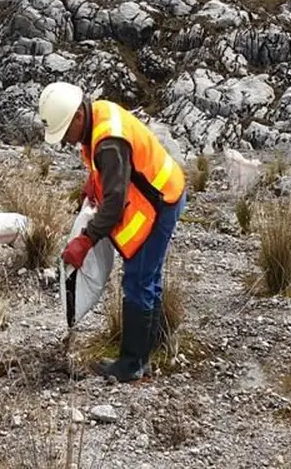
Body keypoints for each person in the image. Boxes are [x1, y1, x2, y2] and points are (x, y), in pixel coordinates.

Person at [38, 81, 188, 383]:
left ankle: (132, 364)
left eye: (65, 131)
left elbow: (114, 206)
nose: (66, 141)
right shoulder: (99, 113)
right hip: (166, 190)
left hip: (159, 204)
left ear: (79, 116)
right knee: (148, 277)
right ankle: (148, 350)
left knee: (138, 280)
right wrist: (97, 179)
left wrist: (85, 240)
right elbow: (115, 172)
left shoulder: (108, 141)